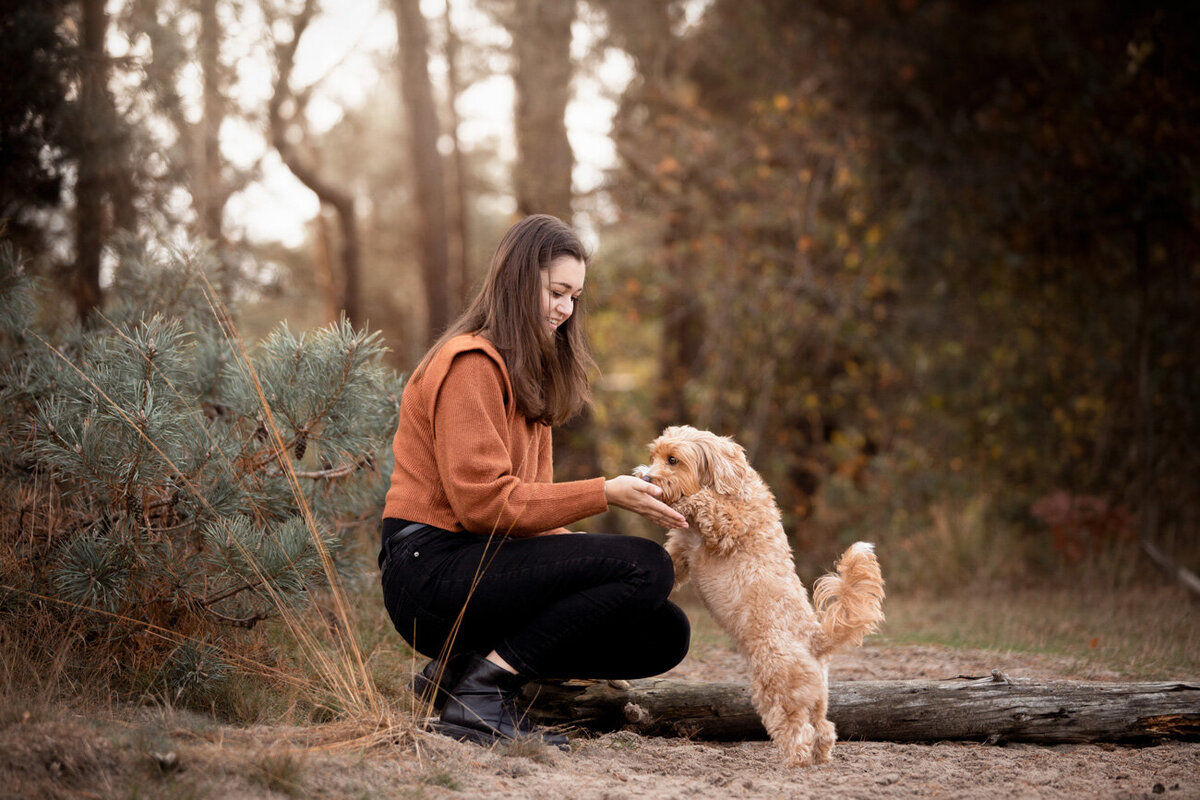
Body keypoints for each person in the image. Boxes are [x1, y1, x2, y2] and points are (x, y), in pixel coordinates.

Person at [380, 214, 691, 748]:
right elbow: (485, 505)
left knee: (663, 630)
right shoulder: (470, 364)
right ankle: (482, 691)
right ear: (518, 281)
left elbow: (526, 517)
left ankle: (457, 675)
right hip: (427, 574)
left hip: (479, 563)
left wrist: (594, 567)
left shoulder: (526, 377)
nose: (565, 309)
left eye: (574, 296)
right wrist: (604, 493)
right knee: (647, 565)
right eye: (556, 291)